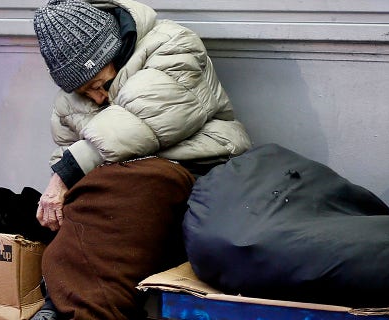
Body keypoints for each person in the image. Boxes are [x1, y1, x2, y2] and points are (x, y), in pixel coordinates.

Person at [31, 0, 252, 319]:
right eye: (84, 92)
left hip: (196, 173)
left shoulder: (172, 46)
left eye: (98, 85)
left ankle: (86, 310)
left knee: (131, 182)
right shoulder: (70, 101)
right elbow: (72, 166)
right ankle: (66, 303)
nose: (97, 98)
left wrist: (63, 176)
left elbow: (139, 123)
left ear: (113, 52)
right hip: (120, 194)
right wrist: (65, 189)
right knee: (81, 206)